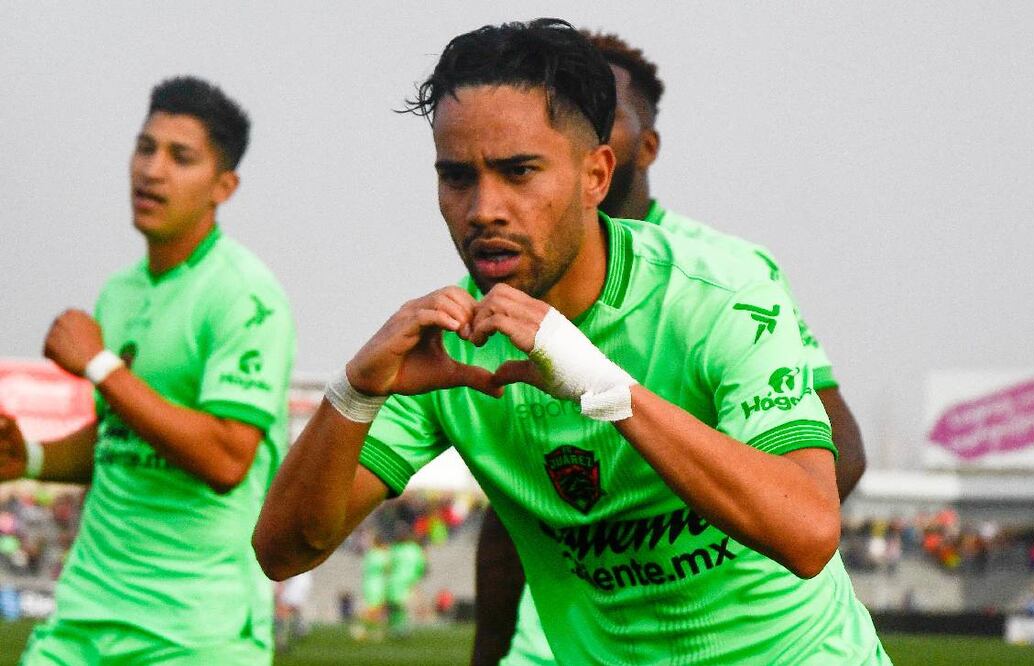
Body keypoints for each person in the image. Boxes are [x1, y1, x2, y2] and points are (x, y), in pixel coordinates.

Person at [253, 19, 890, 664]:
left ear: (596, 175)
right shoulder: (451, 346)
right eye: (457, 176)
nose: (484, 209)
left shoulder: (722, 294)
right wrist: (356, 391)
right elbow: (284, 552)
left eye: (519, 171)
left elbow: (808, 531)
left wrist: (606, 390)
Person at [474, 30, 870, 665]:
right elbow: (510, 500)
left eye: (605, 111)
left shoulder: (723, 277)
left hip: (738, 635)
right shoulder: (503, 286)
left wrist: (705, 516)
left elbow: (838, 452)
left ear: (633, 150)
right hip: (562, 637)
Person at [0, 76, 295, 665]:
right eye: (145, 148)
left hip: (196, 631)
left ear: (224, 186)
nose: (152, 170)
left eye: (180, 157)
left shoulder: (246, 296)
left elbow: (225, 458)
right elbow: (121, 436)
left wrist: (103, 366)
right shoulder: (120, 293)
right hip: (84, 617)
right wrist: (29, 458)